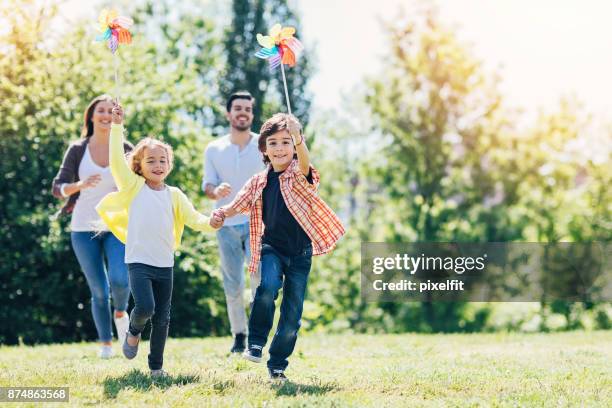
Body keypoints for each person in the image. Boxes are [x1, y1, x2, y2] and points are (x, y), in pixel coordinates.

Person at [210, 113, 345, 382]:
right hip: (271, 247)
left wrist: (297, 137)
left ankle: (278, 364)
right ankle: (256, 342)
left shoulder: (297, 173)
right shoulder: (259, 181)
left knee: (292, 315)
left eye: (286, 143)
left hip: (300, 253)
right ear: (264, 149)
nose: (280, 148)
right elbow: (236, 204)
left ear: (294, 147)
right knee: (266, 287)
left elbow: (306, 164)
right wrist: (221, 214)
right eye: (273, 143)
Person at [96, 102, 218, 377]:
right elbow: (116, 161)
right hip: (139, 262)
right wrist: (117, 126)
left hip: (165, 264)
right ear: (138, 166)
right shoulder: (134, 186)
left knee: (163, 319)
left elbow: (195, 218)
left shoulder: (174, 195)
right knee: (146, 307)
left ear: (170, 165)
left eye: (163, 160)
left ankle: (156, 367)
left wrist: (213, 222)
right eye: (151, 161)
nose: (158, 165)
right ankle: (133, 331)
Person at [52, 94, 131, 359]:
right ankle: (106, 344)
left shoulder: (126, 148)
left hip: (116, 225)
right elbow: (58, 187)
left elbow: (139, 184)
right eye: (101, 110)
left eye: (111, 111)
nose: (106, 115)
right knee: (99, 290)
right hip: (83, 228)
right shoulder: (78, 149)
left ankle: (121, 310)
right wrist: (79, 185)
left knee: (120, 280)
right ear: (91, 115)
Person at [202, 91, 264, 353]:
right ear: (228, 113)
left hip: (256, 222)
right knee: (233, 283)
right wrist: (216, 193)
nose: (243, 112)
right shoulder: (214, 148)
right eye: (238, 108)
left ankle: (257, 335)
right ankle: (239, 334)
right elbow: (208, 184)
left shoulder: (264, 145)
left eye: (247, 109)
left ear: (251, 114)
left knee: (258, 281)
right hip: (225, 223)